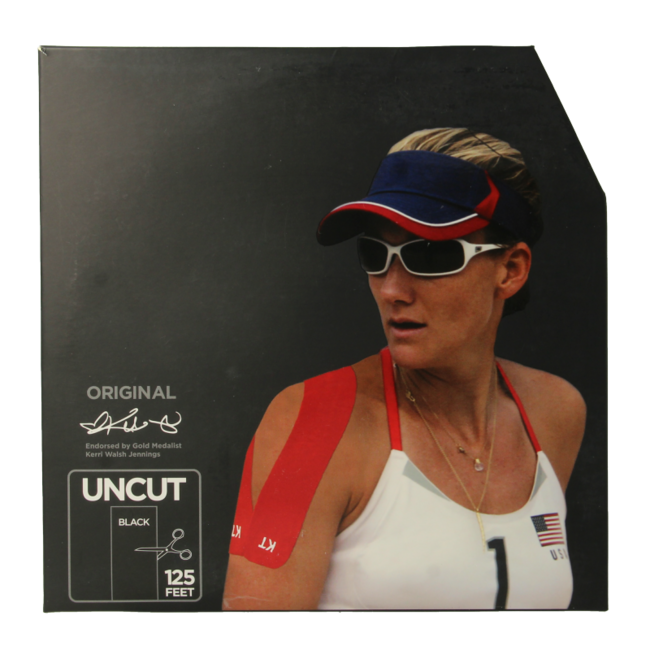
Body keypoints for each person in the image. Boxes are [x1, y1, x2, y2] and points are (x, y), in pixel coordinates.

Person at [222, 128, 586, 611]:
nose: (392, 289)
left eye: (430, 255)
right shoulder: (315, 420)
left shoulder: (555, 411)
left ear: (511, 269)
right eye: (376, 254)